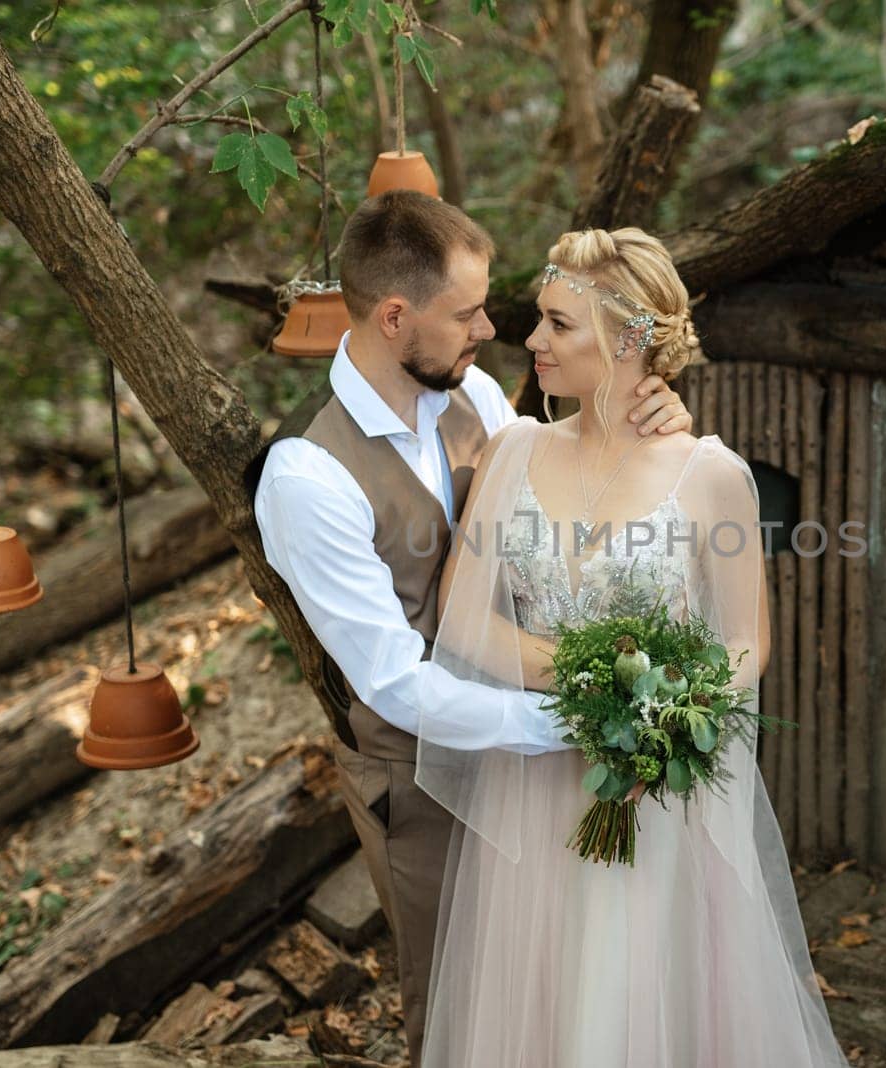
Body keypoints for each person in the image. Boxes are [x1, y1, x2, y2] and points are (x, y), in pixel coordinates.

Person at [249, 192, 692, 1067]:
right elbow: (394, 682)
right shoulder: (308, 479)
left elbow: (572, 493)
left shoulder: (475, 394)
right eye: (465, 313)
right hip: (417, 780)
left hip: (533, 756)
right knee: (456, 1004)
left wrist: (654, 419)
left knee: (549, 982)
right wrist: (580, 724)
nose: (490, 328)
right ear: (392, 316)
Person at [415, 227, 848, 1066]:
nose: (533, 340)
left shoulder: (710, 473)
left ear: (630, 340)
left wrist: (661, 706)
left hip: (650, 796)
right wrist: (597, 686)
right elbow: (462, 619)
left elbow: (746, 642)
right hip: (532, 783)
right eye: (538, 319)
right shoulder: (514, 451)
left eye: (557, 324)